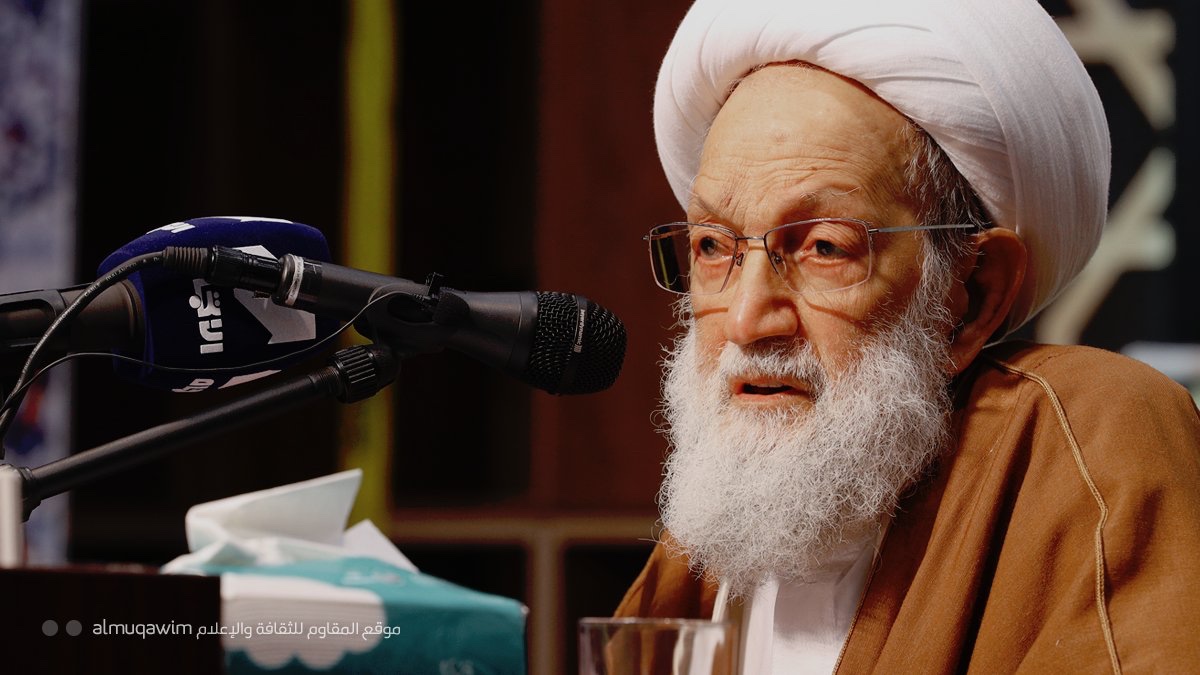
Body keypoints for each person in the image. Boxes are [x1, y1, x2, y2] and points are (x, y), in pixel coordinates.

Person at [614, 0, 1200, 672]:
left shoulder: (1094, 432)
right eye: (714, 246)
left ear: (972, 293)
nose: (747, 320)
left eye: (824, 248)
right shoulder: (718, 529)